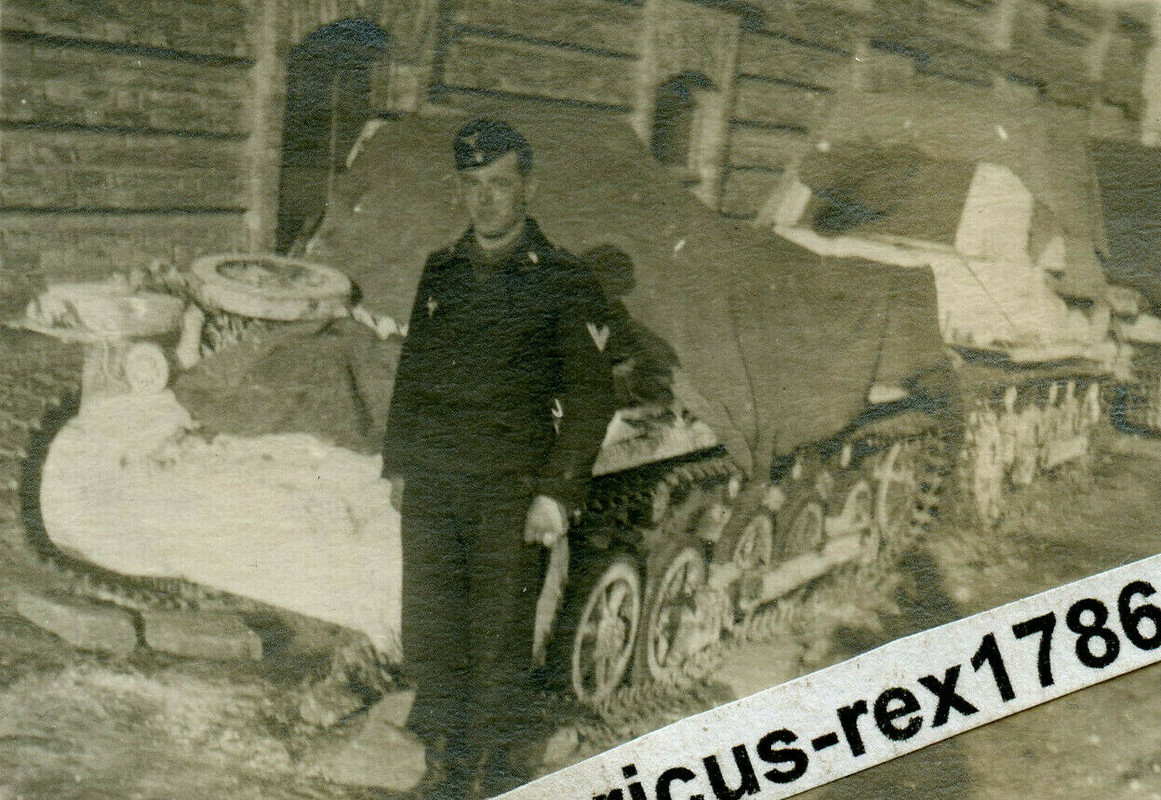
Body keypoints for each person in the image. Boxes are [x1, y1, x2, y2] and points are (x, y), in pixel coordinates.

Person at [381, 119, 616, 799]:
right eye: (472, 185)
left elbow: (591, 397)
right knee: (430, 624)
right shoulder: (441, 268)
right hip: (432, 482)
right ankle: (441, 761)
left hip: (507, 488)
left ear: (528, 189)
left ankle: (482, 774)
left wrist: (556, 492)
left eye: (499, 185)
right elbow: (414, 371)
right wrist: (399, 466)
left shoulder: (564, 279)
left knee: (497, 634)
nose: (483, 200)